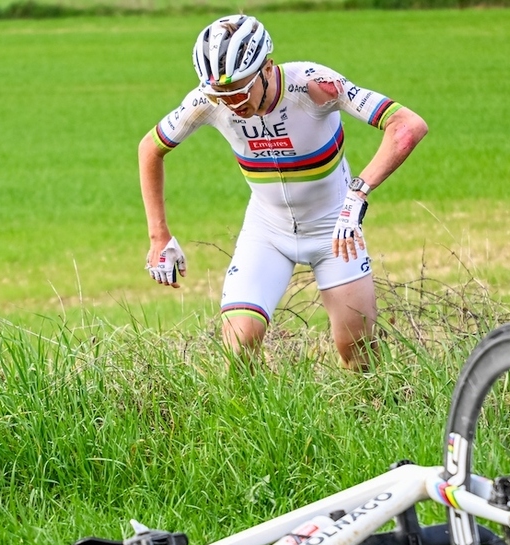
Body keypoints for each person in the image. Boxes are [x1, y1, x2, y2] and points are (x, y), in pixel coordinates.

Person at [139, 14, 427, 369]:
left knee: (359, 355)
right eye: (221, 92)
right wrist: (159, 236)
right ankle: (244, 423)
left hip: (333, 231)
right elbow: (150, 149)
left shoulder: (312, 85)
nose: (232, 101)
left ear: (267, 67)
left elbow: (408, 125)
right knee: (239, 346)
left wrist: (358, 194)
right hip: (267, 231)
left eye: (241, 88)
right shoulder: (208, 100)